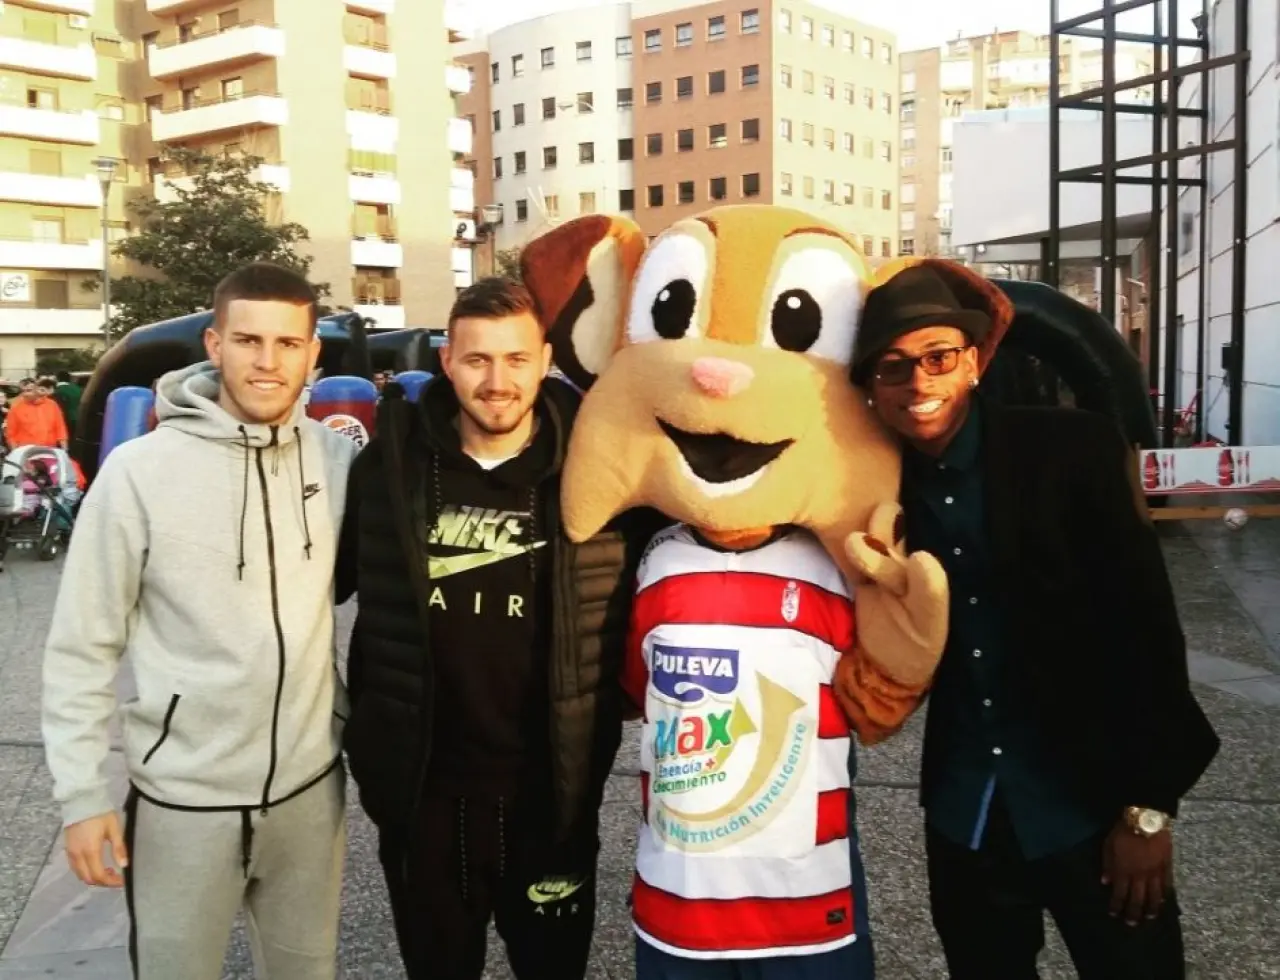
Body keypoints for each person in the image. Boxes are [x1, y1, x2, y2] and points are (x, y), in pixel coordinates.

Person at [851, 261, 1220, 980]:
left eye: (937, 357)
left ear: (973, 362)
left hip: (1091, 806)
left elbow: (1146, 630)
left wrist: (1147, 810)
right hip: (967, 813)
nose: (918, 382)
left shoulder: (1072, 451)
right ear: (871, 388)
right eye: (892, 367)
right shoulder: (878, 488)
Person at [41, 261, 358, 980]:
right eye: (248, 340)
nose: (268, 361)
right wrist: (82, 797)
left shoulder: (338, 460)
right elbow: (82, 646)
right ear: (215, 344)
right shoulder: (138, 472)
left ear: (313, 353)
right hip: (183, 804)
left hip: (311, 796)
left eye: (287, 343)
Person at [337, 276, 659, 980]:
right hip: (424, 793)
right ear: (447, 361)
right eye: (477, 359)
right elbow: (312, 582)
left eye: (515, 359)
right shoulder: (388, 468)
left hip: (552, 793)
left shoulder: (601, 470)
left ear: (545, 360)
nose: (496, 381)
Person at [4, 377, 69, 450]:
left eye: (29, 390)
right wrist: (15, 453)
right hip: (26, 452)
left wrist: (64, 451)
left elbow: (61, 428)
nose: (25, 394)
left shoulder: (52, 405)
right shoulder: (16, 407)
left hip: (49, 450)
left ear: (37, 389)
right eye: (23, 391)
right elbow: (10, 434)